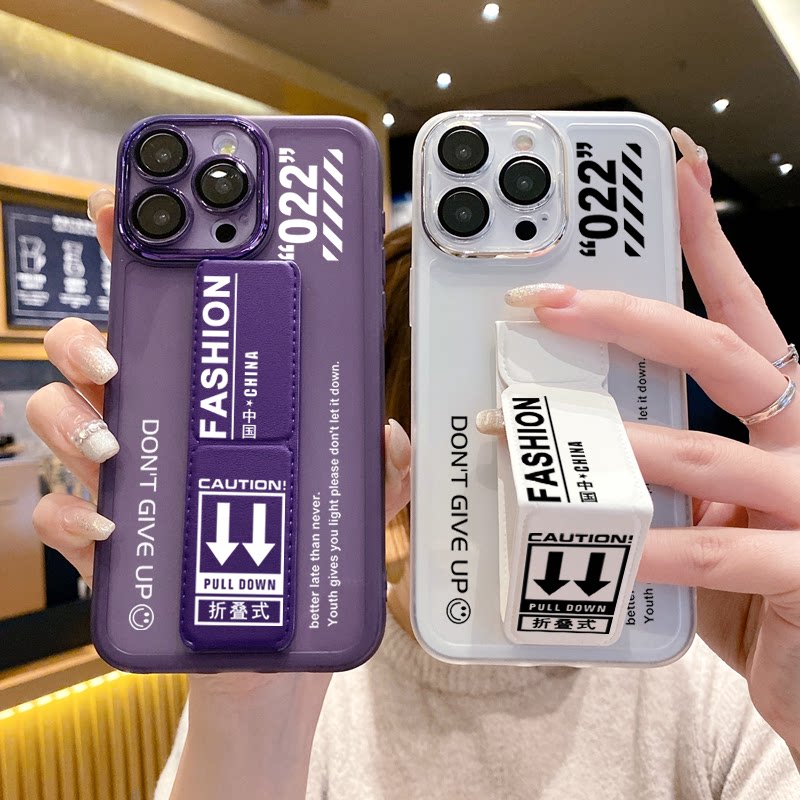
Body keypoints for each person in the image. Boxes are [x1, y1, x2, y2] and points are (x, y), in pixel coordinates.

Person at [25, 129, 800, 799]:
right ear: (385, 428)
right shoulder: (303, 656)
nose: (531, 435)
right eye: (465, 385)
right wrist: (250, 712)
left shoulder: (723, 675)